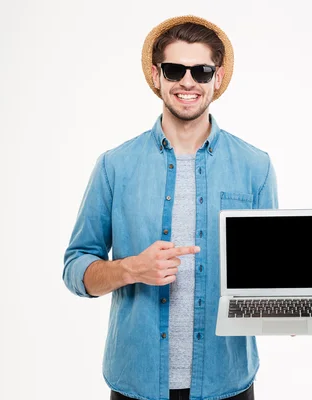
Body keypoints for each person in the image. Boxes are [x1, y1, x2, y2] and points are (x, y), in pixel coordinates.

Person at [63, 15, 278, 400]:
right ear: (157, 75)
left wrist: (284, 305)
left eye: (201, 70)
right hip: (138, 383)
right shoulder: (115, 166)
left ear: (218, 76)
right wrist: (130, 268)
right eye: (175, 69)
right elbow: (76, 268)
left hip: (226, 383)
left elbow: (269, 272)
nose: (188, 82)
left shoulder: (255, 166)